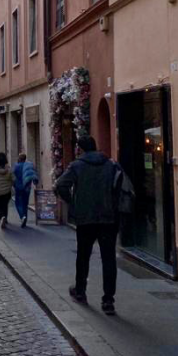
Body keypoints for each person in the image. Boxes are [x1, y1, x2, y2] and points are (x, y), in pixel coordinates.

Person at [55, 134, 128, 316]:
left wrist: (73, 203)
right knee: (109, 259)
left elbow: (60, 185)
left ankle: (80, 291)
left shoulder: (77, 165)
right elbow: (120, 188)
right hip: (108, 217)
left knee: (83, 257)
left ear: (80, 149)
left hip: (85, 218)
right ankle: (108, 301)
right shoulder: (111, 164)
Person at [13, 153, 39, 228]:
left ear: (19, 158)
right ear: (25, 158)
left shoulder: (16, 166)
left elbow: (13, 176)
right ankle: (25, 218)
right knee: (25, 204)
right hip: (27, 187)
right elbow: (33, 174)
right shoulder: (29, 165)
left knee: (18, 203)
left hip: (18, 187)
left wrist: (13, 184)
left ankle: (22, 216)